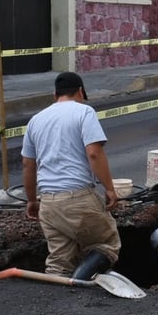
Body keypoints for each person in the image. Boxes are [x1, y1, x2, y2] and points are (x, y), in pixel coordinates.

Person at [21, 71, 121, 280]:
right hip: (78, 198)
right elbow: (94, 153)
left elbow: (27, 165)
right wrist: (109, 189)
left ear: (55, 94)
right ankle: (81, 281)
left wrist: (31, 200)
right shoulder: (84, 112)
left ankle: (57, 307)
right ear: (81, 91)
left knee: (59, 261)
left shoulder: (36, 120)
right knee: (106, 245)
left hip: (48, 204)